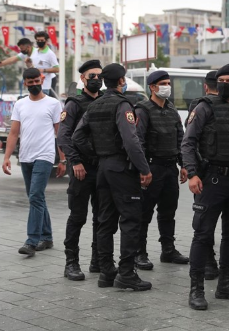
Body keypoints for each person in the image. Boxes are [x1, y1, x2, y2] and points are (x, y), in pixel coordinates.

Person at [72, 63, 153, 291]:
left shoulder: (95, 105)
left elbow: (78, 136)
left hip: (104, 168)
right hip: (122, 169)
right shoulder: (123, 104)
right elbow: (131, 141)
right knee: (130, 220)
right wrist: (144, 169)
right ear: (121, 81)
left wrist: (96, 153)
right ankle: (127, 273)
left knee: (105, 221)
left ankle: (107, 272)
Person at [182, 64, 229, 310]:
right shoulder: (204, 107)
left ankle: (226, 284)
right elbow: (188, 143)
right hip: (211, 179)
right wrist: (192, 173)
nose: (224, 83)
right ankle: (196, 289)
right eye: (220, 79)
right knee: (203, 235)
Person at [2, 68, 65, 256]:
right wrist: (6, 157)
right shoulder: (20, 104)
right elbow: (14, 133)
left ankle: (31, 241)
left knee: (35, 196)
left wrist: (63, 159)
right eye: (30, 82)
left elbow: (59, 133)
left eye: (36, 81)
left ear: (42, 79)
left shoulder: (53, 104)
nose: (34, 85)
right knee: (36, 197)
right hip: (26, 156)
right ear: (25, 83)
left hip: (44, 156)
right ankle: (47, 237)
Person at [133, 70, 189, 271]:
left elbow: (181, 139)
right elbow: (137, 140)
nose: (167, 86)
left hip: (170, 168)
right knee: (144, 212)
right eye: (163, 83)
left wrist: (184, 165)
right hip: (151, 167)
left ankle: (168, 250)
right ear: (152, 87)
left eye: (168, 83)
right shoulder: (143, 110)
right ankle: (139, 252)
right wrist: (143, 169)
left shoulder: (172, 111)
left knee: (168, 211)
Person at [57, 60, 104, 280]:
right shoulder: (74, 104)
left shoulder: (106, 101)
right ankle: (71, 263)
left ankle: (98, 260)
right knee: (78, 217)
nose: (96, 79)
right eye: (92, 76)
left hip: (103, 169)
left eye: (99, 75)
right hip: (80, 168)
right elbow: (64, 136)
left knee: (102, 217)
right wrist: (74, 161)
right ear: (83, 79)